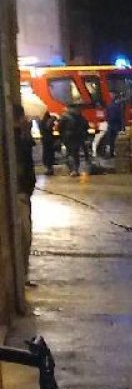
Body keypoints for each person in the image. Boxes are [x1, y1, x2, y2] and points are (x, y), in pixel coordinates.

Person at [13, 105, 35, 277]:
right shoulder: (13, 139)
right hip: (18, 194)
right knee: (23, 237)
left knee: (24, 238)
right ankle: (21, 276)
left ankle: (22, 276)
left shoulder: (21, 138)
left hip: (23, 193)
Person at [59, 104, 89, 177]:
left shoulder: (66, 117)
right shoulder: (78, 117)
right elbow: (86, 126)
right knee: (73, 154)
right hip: (72, 138)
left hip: (72, 137)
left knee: (72, 153)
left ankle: (74, 169)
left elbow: (60, 128)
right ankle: (74, 169)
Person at [39, 110, 57, 176]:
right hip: (50, 138)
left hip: (45, 138)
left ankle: (48, 168)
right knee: (50, 153)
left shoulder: (41, 121)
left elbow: (42, 130)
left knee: (46, 153)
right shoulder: (50, 120)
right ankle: (50, 168)